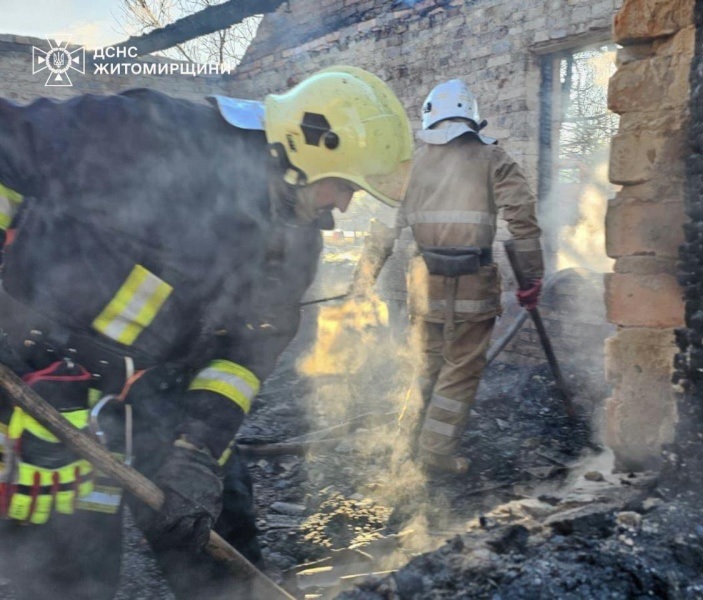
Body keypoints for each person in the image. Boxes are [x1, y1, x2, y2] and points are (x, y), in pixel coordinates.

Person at [0, 66, 412, 599]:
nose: (343, 205)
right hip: (49, 382)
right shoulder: (152, 134)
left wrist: (197, 449)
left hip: (166, 392)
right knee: (69, 573)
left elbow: (247, 351)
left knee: (220, 557)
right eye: (344, 186)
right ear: (306, 147)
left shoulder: (296, 241)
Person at [354, 79, 543, 474]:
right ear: (472, 117)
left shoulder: (414, 164)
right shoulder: (494, 158)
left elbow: (386, 227)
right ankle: (436, 454)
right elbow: (522, 222)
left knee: (425, 364)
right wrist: (531, 279)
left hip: (425, 285)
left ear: (429, 116)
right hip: (474, 282)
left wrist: (363, 279)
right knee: (459, 371)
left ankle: (407, 444)